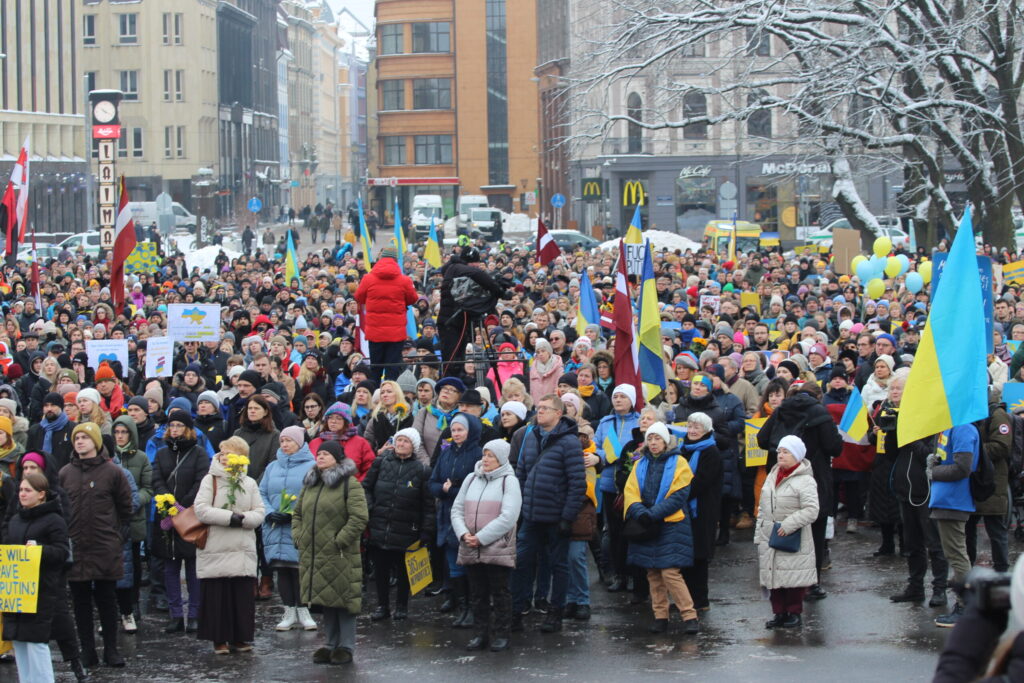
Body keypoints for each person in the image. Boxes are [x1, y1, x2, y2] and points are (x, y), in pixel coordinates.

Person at [59, 421, 133, 668]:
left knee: (106, 599)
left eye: (85, 437)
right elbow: (59, 509)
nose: (80, 441)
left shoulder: (112, 472)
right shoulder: (65, 473)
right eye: (76, 438)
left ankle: (111, 650)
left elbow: (125, 508)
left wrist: (116, 535)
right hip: (76, 546)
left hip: (104, 545)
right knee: (80, 602)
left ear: (96, 442)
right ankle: (87, 650)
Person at [510, 394, 586, 634]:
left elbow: (577, 483)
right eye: (538, 407)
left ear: (558, 413)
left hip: (556, 515)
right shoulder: (531, 435)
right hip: (531, 514)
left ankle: (555, 612)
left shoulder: (569, 442)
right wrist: (520, 506)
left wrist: (567, 517)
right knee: (520, 561)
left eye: (545, 408)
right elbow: (521, 471)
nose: (539, 411)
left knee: (558, 565)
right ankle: (516, 610)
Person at [293, 440, 369, 666]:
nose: (321, 457)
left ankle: (346, 646)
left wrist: (340, 540)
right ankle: (330, 644)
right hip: (314, 552)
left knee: (343, 599)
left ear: (337, 458)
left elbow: (359, 517)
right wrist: (299, 535)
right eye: (320, 453)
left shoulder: (349, 484)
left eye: (326, 454)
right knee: (326, 599)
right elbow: (297, 514)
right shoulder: (310, 483)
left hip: (340, 553)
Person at [623, 422, 700, 635]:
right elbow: (630, 491)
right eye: (650, 438)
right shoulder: (640, 463)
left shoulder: (679, 462)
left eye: (657, 438)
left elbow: (679, 495)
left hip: (671, 523)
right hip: (646, 523)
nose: (653, 443)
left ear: (666, 441)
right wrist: (639, 512)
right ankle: (660, 616)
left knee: (670, 572)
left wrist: (653, 514)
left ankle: (689, 615)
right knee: (653, 572)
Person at [194, 436, 266, 654]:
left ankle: (240, 637)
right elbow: (201, 509)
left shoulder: (249, 482)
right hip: (217, 545)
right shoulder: (211, 480)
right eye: (222, 452)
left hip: (241, 546)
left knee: (241, 595)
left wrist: (244, 519)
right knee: (218, 595)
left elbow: (260, 511)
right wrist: (229, 517)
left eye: (228, 453)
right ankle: (219, 638)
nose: (223, 457)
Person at [451, 439, 522, 652]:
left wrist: (481, 537)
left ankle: (502, 634)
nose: (486, 459)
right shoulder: (471, 478)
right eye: (485, 454)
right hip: (470, 545)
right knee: (477, 592)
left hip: (496, 546)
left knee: (500, 591)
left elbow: (509, 516)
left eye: (491, 455)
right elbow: (457, 509)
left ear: (501, 458)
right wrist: (464, 534)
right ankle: (480, 634)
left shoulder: (509, 481)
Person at [2, 471, 70, 683]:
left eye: (27, 490)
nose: (22, 494)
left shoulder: (54, 520)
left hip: (41, 590)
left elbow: (62, 553)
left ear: (41, 494)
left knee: (35, 643)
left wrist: (39, 549)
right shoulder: (15, 519)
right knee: (19, 641)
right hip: (17, 589)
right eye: (21, 490)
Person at [362, 427, 435, 621]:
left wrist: (426, 530)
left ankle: (402, 606)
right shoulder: (380, 463)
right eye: (398, 440)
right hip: (380, 524)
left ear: (414, 446)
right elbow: (366, 488)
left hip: (407, 527)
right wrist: (371, 508)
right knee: (381, 569)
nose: (401, 444)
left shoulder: (422, 470)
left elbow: (428, 504)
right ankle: (382, 606)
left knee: (404, 570)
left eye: (406, 441)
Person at [152, 408, 211, 634]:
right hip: (167, 516)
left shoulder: (198, 453)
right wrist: (168, 504)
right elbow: (156, 478)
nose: (174, 430)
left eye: (178, 426)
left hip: (190, 515)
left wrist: (182, 506)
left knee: (193, 566)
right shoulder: (161, 453)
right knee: (170, 566)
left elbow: (201, 481)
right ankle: (175, 614)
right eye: (171, 426)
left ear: (188, 429)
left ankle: (195, 613)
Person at [756, 435, 819, 629]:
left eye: (786, 452)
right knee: (773, 577)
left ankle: (794, 613)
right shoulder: (772, 474)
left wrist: (787, 525)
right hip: (770, 536)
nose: (781, 455)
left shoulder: (805, 480)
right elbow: (763, 506)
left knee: (793, 578)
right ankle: (779, 613)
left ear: (797, 456)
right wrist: (759, 532)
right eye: (779, 452)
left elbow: (811, 509)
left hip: (792, 537)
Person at [259, 426, 317, 632]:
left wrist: (294, 515)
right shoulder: (272, 467)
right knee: (282, 569)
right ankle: (288, 611)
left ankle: (303, 610)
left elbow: (315, 495)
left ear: (300, 443)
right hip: (275, 526)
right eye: (282, 441)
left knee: (299, 569)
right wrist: (268, 512)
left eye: (289, 441)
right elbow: (261, 492)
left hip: (299, 526)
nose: (284, 444)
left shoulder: (313, 466)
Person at [430, 413, 484, 626]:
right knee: (454, 566)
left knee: (469, 564)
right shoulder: (446, 454)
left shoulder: (478, 454)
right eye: (453, 430)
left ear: (470, 431)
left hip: (468, 516)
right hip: (446, 515)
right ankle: (462, 607)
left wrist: (451, 489)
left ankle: (473, 609)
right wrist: (443, 490)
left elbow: (477, 485)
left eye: (460, 429)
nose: (456, 433)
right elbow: (433, 482)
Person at [930, 422, 982, 628]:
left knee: (957, 555)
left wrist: (934, 471)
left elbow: (963, 467)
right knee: (955, 554)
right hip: (946, 499)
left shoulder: (963, 428)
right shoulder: (950, 427)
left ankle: (965, 607)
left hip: (953, 500)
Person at [438, 247, 508, 377]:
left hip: (458, 320)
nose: (477, 266)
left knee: (459, 358)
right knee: (452, 360)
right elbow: (477, 274)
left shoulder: (456, 269)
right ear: (467, 261)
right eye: (475, 262)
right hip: (451, 322)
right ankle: (448, 383)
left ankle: (459, 381)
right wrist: (497, 289)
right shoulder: (455, 267)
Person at [678, 412, 723, 612]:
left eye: (697, 427)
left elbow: (701, 482)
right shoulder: (682, 448)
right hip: (685, 508)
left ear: (706, 430)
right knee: (686, 553)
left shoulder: (711, 452)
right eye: (690, 426)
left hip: (703, 509)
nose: (693, 431)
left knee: (699, 554)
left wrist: (679, 491)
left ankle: (700, 599)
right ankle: (686, 599)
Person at [111, 415, 153, 633]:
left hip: (134, 517)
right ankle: (118, 606)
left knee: (134, 562)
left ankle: (133, 602)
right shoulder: (108, 457)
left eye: (124, 432)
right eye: (116, 432)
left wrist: (135, 501)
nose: (119, 436)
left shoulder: (141, 458)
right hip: (113, 518)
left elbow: (148, 487)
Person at [354, 247, 417, 381]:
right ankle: (390, 396)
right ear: (395, 260)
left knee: (375, 368)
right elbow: (413, 299)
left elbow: (359, 297)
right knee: (392, 368)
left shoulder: (368, 278)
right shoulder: (404, 280)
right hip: (396, 332)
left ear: (381, 259)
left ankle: (375, 397)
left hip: (375, 332)